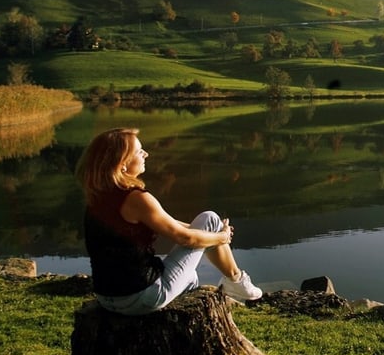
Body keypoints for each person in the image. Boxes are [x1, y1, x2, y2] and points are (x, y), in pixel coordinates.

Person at [79, 127, 262, 315]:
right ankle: (235, 281)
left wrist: (208, 235)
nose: (146, 154)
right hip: (140, 297)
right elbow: (184, 238)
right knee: (211, 219)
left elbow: (169, 223)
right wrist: (221, 237)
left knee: (191, 276)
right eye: (139, 151)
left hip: (106, 296)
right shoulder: (136, 199)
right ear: (122, 163)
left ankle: (217, 290)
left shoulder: (97, 196)